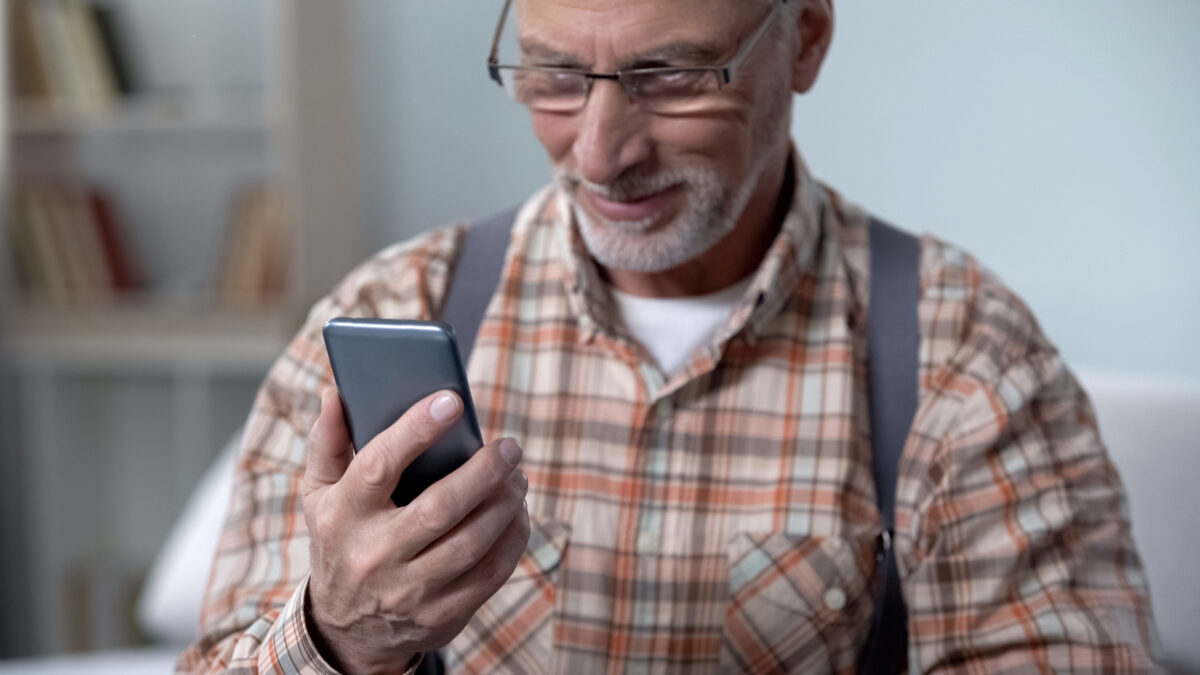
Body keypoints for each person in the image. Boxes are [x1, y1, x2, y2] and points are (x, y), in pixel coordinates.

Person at [178, 0, 1160, 672]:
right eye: (554, 77)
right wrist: (337, 637)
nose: (601, 151)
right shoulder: (397, 305)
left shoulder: (967, 357)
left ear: (807, 38)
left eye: (673, 77)